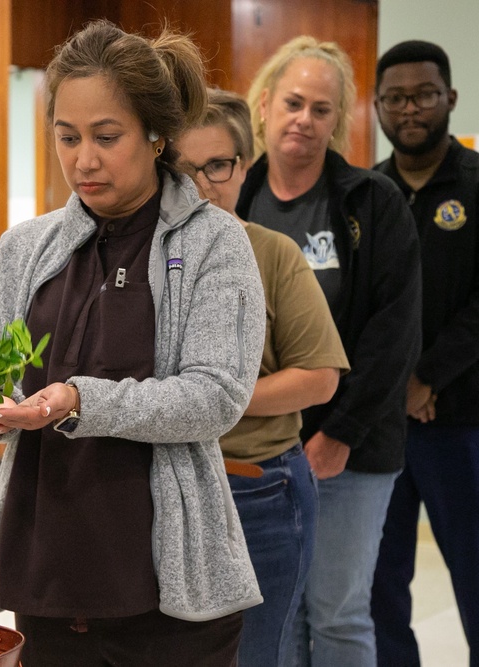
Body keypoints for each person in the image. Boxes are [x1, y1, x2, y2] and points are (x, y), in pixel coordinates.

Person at [0, 20, 265, 666]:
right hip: (45, 575)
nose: (83, 160)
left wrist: (77, 400)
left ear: (157, 136)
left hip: (166, 599)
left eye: (106, 137)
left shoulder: (214, 242)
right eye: (66, 137)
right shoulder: (25, 249)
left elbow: (215, 395)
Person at [236, 36, 422, 666]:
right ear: (263, 106)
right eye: (293, 102)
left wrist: (338, 433)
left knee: (339, 614)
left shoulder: (373, 203)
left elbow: (394, 334)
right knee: (276, 615)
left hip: (353, 450)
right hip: (261, 452)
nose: (304, 120)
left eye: (321, 109)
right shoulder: (235, 200)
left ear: (337, 121)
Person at [175, 88, 349, 667]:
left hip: (257, 489)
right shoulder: (140, 257)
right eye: (181, 168)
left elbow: (319, 377)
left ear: (242, 169)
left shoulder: (271, 254)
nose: (200, 185)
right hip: (159, 485)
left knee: (253, 655)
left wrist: (207, 401)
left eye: (217, 166)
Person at [370, 40, 479, 667]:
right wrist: (397, 389)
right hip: (383, 430)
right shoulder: (369, 194)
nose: (410, 109)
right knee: (380, 588)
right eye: (396, 98)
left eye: (424, 95)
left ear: (450, 100)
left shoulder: (474, 185)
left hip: (464, 425)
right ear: (379, 106)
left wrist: (428, 377)